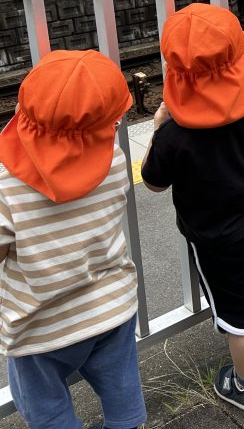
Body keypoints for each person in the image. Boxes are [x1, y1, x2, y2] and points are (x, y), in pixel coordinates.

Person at [142, 3, 244, 413]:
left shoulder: (174, 133)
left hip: (217, 241)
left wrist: (157, 130)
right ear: (240, 61)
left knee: (240, 316)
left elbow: (154, 182)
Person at [0, 50, 146, 429]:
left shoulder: (5, 185)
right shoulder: (114, 161)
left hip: (39, 327)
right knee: (121, 389)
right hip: (111, 309)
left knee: (46, 408)